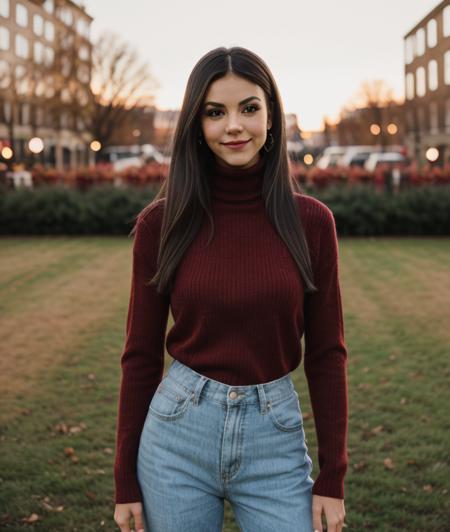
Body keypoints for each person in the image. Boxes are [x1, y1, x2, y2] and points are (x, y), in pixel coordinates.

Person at [113, 46, 348, 532]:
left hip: (275, 437)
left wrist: (333, 476)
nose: (234, 126)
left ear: (271, 114)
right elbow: (139, 354)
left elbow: (327, 353)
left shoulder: (312, 223)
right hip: (176, 437)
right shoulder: (163, 224)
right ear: (196, 125)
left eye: (249, 108)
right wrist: (124, 481)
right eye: (215, 113)